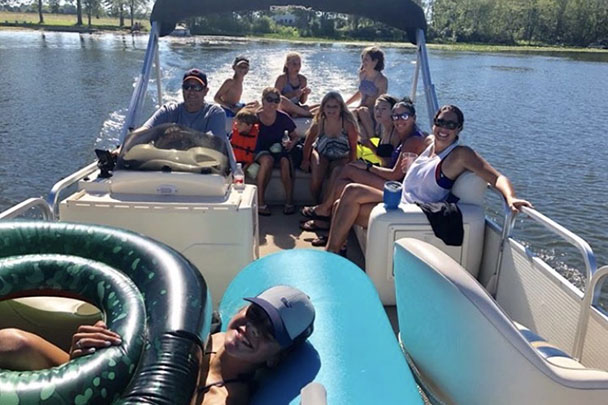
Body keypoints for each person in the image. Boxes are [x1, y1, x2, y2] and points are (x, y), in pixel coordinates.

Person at [0, 286, 315, 405]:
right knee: (15, 342)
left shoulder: (224, 399)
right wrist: (82, 357)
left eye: (269, 331)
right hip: (105, 387)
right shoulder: (199, 325)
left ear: (276, 358)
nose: (252, 329)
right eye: (255, 314)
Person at [324, 104, 533, 254]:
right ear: (434, 124)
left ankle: (332, 253)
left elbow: (497, 178)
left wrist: (511, 198)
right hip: (402, 200)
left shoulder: (460, 154)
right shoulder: (429, 144)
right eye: (440, 122)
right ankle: (336, 250)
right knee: (349, 192)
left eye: (451, 125)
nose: (444, 128)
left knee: (345, 205)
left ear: (459, 129)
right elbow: (412, 139)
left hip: (413, 213)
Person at [300, 100, 429, 240]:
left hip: (397, 189)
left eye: (404, 116)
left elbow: (394, 175)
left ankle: (325, 210)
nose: (399, 120)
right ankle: (330, 226)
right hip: (392, 182)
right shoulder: (400, 134)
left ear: (413, 118)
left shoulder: (412, 140)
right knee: (342, 178)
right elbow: (388, 163)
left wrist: (368, 167)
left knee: (349, 170)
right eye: (395, 116)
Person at [300, 91, 359, 203]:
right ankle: (316, 203)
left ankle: (327, 208)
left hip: (341, 156)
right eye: (328, 106)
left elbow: (353, 147)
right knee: (317, 178)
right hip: (321, 153)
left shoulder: (348, 124)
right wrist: (305, 160)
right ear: (323, 108)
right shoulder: (319, 123)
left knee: (336, 174)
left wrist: (352, 165)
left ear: (341, 108)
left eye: (335, 107)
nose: (331, 110)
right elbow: (308, 143)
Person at [141, 68, 227, 138]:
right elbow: (146, 130)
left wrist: (181, 134)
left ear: (205, 91)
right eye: (187, 87)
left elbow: (216, 144)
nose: (191, 91)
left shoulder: (215, 113)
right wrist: (133, 138)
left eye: (196, 87)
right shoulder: (169, 110)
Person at [254, 87, 299, 216]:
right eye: (269, 100)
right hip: (260, 150)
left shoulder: (283, 118)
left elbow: (295, 135)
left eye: (276, 100)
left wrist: (291, 143)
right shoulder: (255, 117)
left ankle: (289, 201)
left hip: (278, 149)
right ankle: (261, 203)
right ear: (263, 101)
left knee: (285, 161)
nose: (272, 104)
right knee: (267, 160)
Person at [345, 47, 388, 143]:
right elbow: (360, 92)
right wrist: (345, 104)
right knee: (348, 112)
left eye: (366, 59)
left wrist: (378, 122)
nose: (363, 62)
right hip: (360, 108)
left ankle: (373, 141)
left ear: (375, 61)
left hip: (373, 112)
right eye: (363, 59)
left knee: (362, 111)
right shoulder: (362, 75)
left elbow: (380, 101)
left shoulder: (381, 80)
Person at [357, 94, 399, 165]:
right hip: (381, 168)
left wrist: (370, 146)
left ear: (393, 111)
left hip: (387, 173)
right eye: (376, 108)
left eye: (383, 109)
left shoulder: (396, 133)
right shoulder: (385, 129)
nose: (378, 112)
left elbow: (389, 163)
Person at [273, 53, 313, 118]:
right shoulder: (282, 79)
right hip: (283, 107)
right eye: (294, 64)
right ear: (287, 65)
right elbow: (275, 99)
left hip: (297, 107)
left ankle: (298, 113)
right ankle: (306, 114)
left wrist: (305, 94)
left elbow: (302, 101)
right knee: (282, 99)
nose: (297, 67)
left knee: (320, 105)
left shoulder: (303, 79)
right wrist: (293, 94)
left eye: (299, 64)